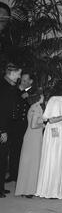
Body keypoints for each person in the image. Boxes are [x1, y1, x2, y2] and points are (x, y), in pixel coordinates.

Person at [35, 81, 62, 199]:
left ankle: (46, 187)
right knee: (58, 158)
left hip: (50, 132)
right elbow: (52, 120)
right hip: (58, 130)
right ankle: (55, 190)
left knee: (49, 157)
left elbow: (46, 118)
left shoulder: (51, 100)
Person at [7, 71, 36, 183]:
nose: (22, 82)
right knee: (14, 149)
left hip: (27, 125)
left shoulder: (34, 92)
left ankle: (21, 175)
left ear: (31, 81)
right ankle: (13, 174)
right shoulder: (16, 90)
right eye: (21, 80)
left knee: (23, 151)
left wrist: (29, 97)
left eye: (25, 80)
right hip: (15, 124)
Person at [15, 93, 45, 198]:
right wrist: (43, 124)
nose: (43, 97)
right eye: (42, 96)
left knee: (26, 163)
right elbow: (33, 125)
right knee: (33, 163)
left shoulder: (32, 107)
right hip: (34, 137)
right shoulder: (37, 108)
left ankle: (24, 188)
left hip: (30, 136)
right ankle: (29, 190)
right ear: (38, 98)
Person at [0, 63, 22, 197]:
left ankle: (1, 187)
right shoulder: (3, 86)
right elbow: (2, 110)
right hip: (3, 128)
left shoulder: (10, 86)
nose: (19, 76)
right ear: (12, 73)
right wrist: (2, 130)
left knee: (3, 159)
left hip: (8, 128)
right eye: (18, 74)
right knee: (1, 158)